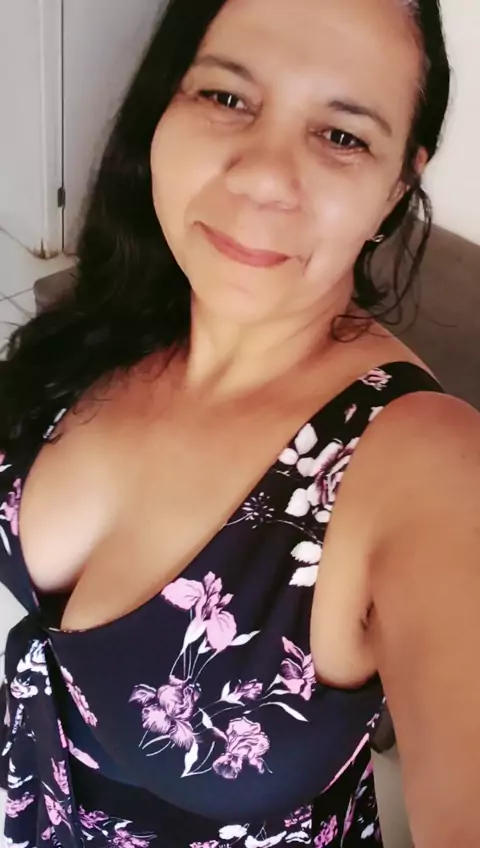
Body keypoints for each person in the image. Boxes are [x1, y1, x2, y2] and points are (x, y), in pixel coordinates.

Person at [1, 0, 479, 845]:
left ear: (398, 186)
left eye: (342, 136)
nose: (262, 178)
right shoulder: (114, 317)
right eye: (226, 97)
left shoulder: (424, 465)